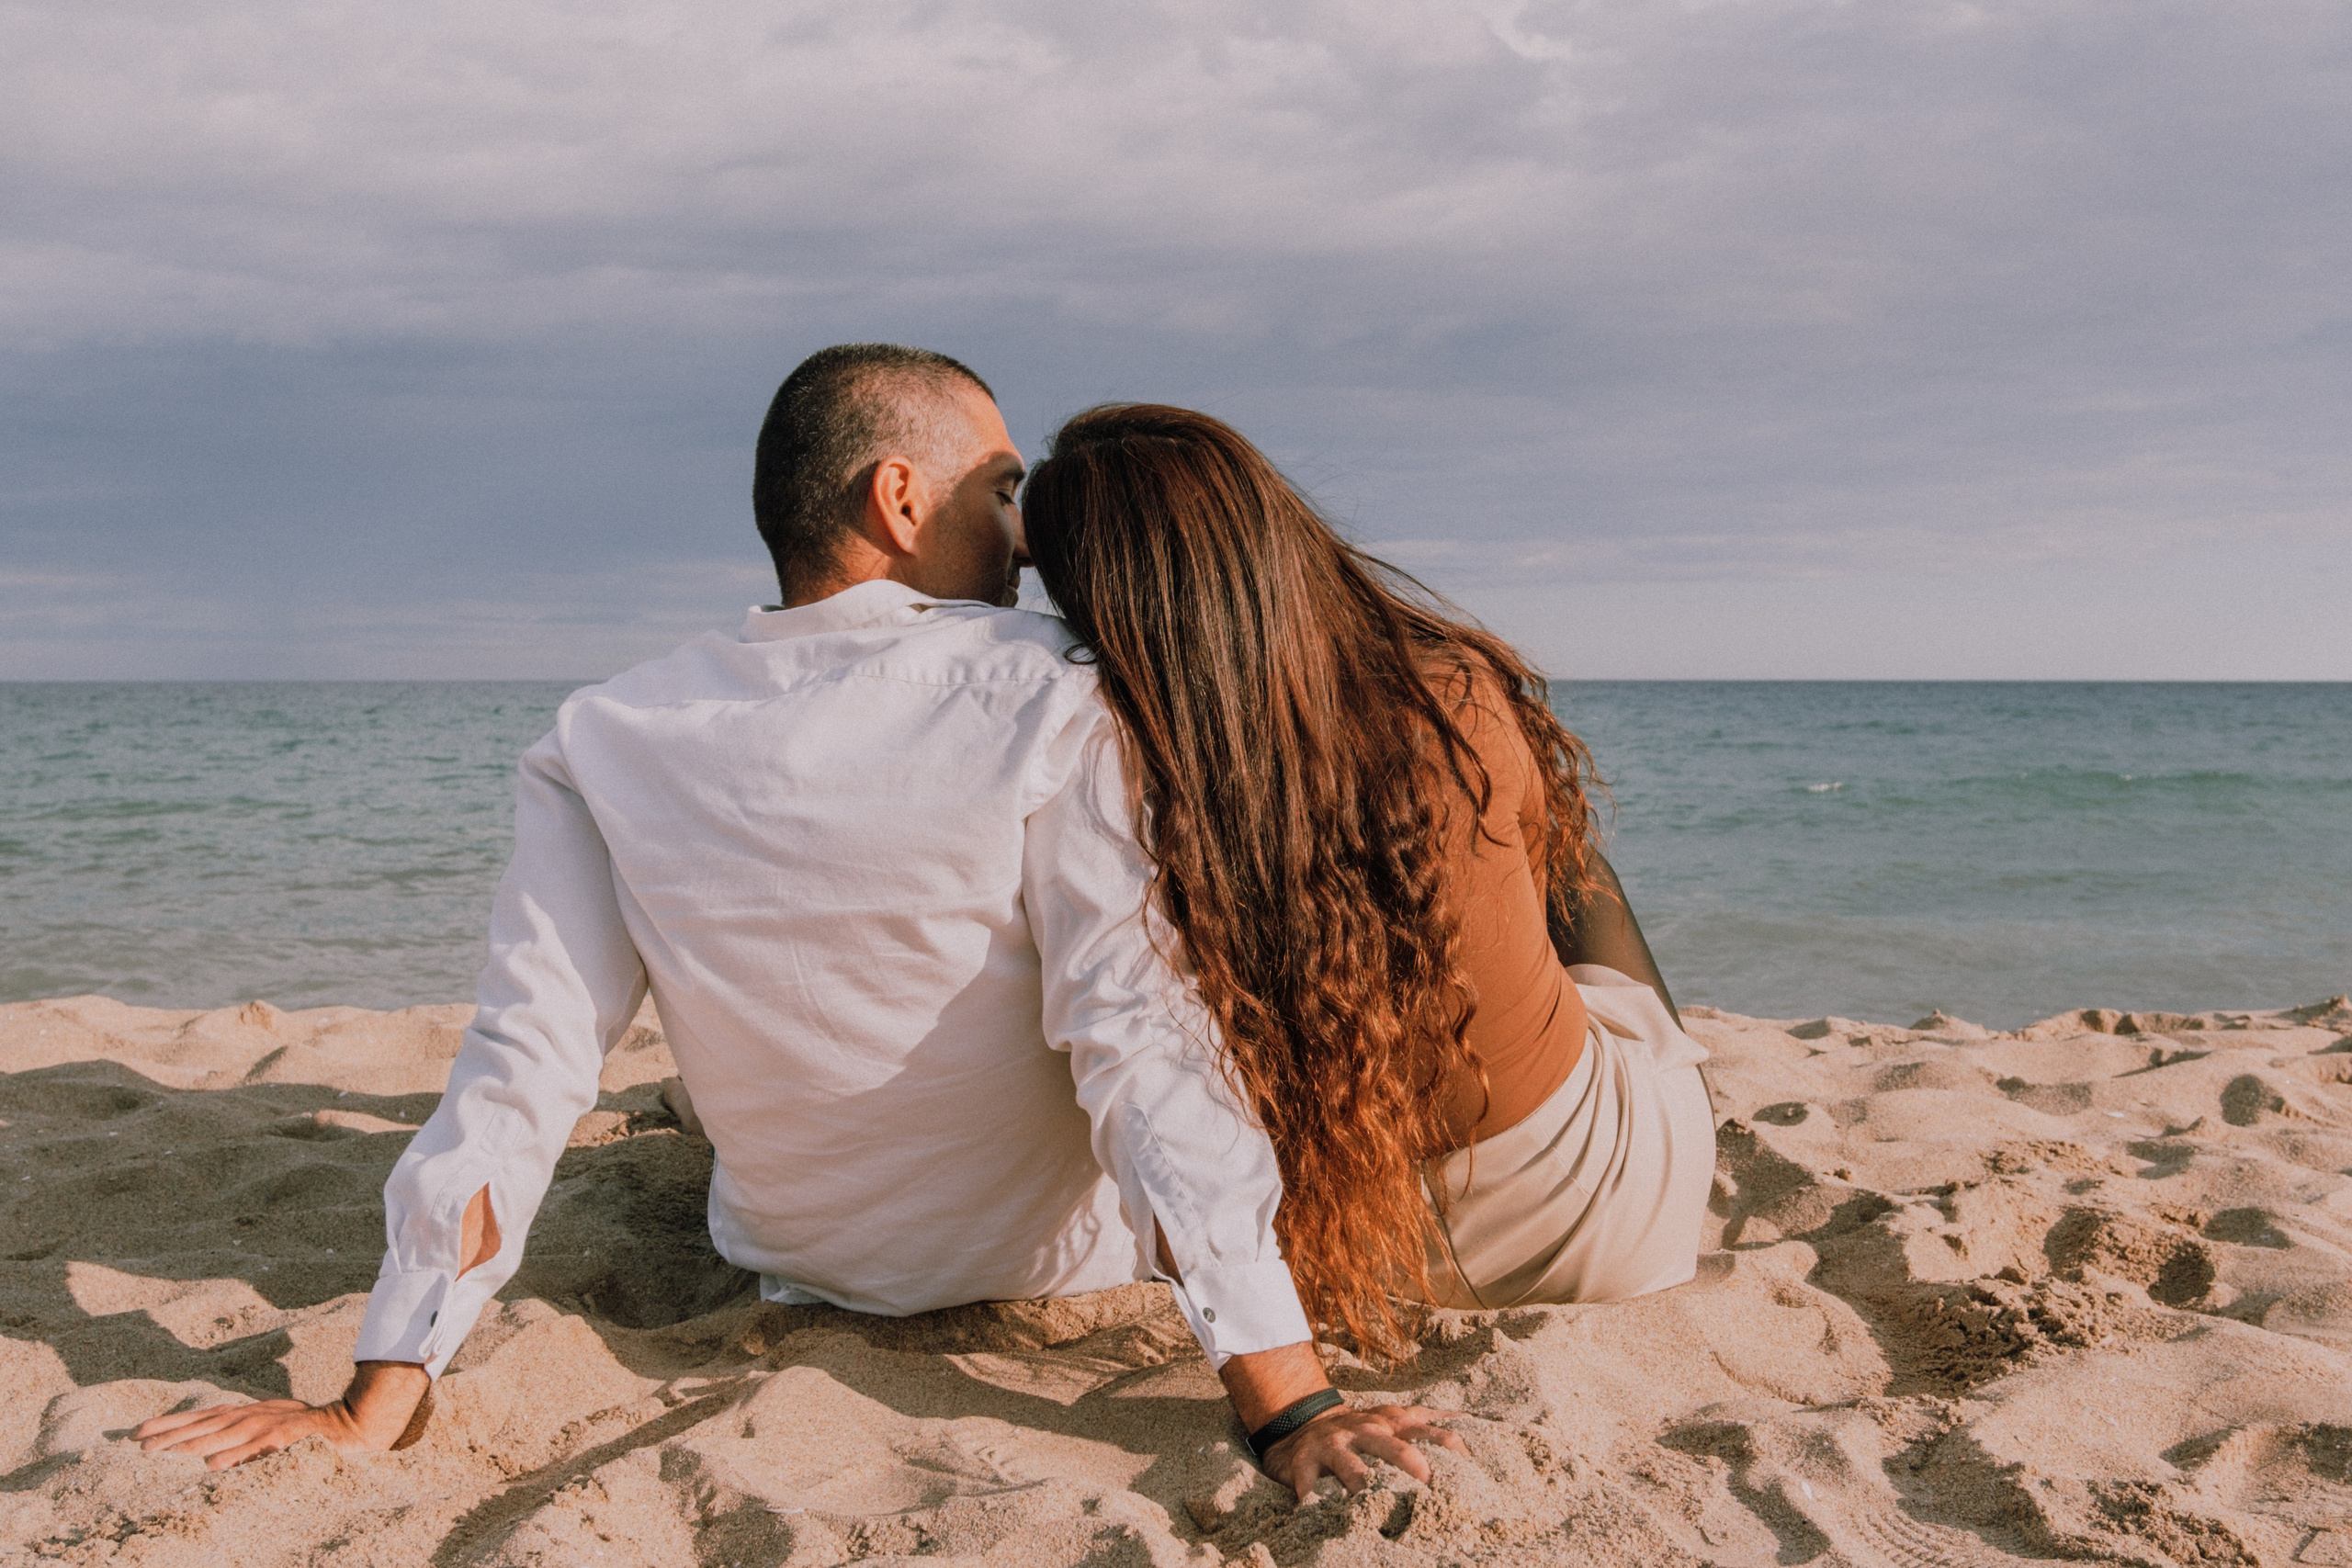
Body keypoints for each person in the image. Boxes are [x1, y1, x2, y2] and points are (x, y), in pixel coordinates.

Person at [134, 347, 1460, 1499]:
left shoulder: (609, 730)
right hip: (1051, 1261)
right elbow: (1141, 1043)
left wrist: (379, 1393)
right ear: (898, 495)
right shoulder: (1057, 697)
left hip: (799, 1265)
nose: (1030, 533)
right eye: (1003, 488)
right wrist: (1286, 1400)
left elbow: (522, 1067)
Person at [1019, 403, 1716, 1362]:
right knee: (1553, 846)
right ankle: (1678, 1061)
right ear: (1274, 534)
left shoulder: (1110, 772)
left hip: (1354, 1266)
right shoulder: (1449, 693)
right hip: (1616, 1220)